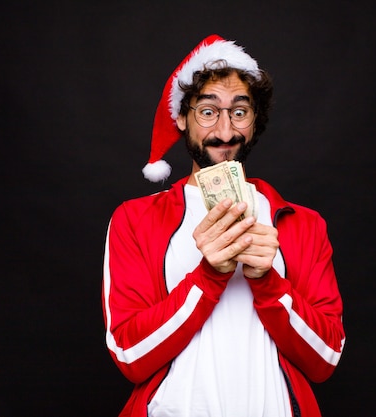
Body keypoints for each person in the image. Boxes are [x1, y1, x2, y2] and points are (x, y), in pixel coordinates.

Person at [102, 34, 346, 417]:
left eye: (239, 111)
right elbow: (129, 355)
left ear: (255, 120)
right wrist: (209, 276)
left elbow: (325, 358)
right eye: (208, 111)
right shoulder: (134, 220)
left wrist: (267, 280)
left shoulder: (305, 225)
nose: (226, 131)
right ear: (181, 117)